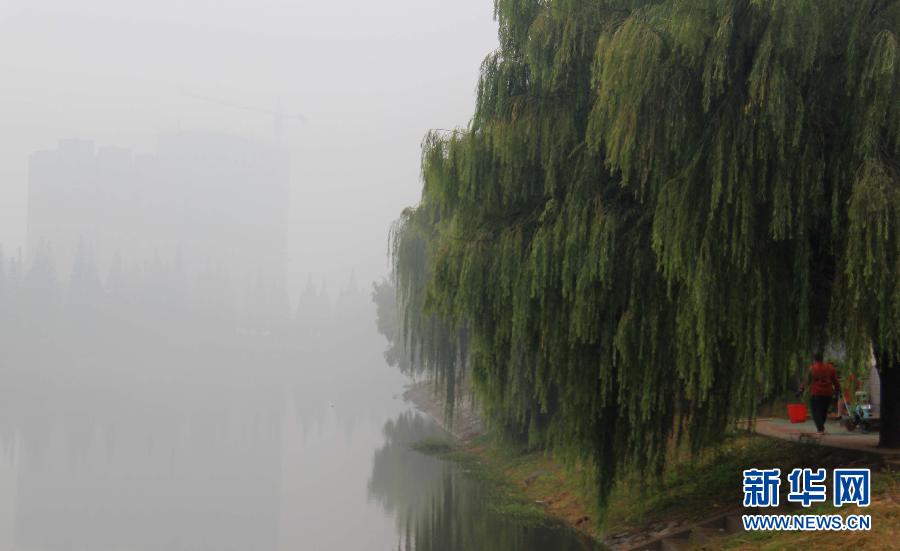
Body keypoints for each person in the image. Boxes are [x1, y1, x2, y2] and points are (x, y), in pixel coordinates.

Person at [800, 352, 841, 434]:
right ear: (822, 358)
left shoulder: (812, 368)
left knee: (815, 411)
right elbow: (835, 381)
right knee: (824, 411)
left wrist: (801, 389)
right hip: (828, 393)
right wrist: (838, 389)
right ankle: (821, 427)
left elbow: (806, 381)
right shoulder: (830, 368)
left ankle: (820, 429)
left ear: (815, 359)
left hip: (816, 393)